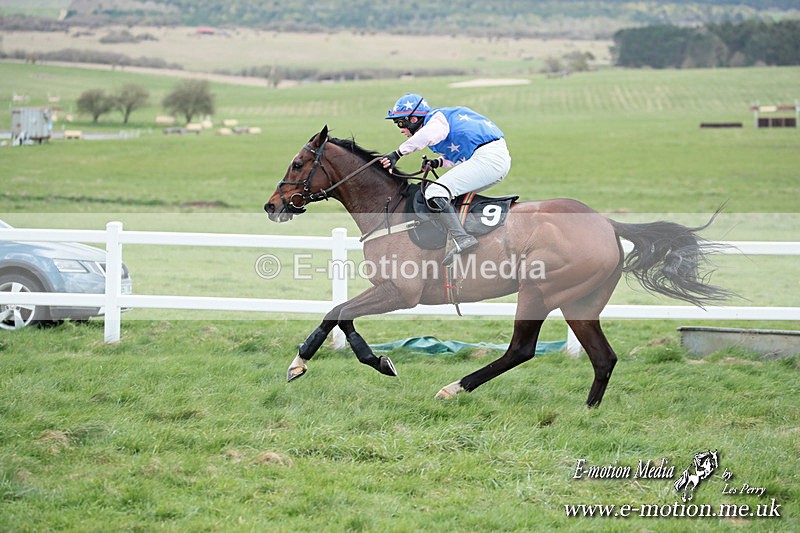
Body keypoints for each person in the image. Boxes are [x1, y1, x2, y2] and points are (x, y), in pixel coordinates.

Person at [380, 93, 511, 265]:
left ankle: (462, 238)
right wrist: (437, 162)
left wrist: (397, 154)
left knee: (435, 192)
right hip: (492, 158)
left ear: (413, 119)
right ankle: (457, 239)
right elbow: (457, 155)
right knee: (449, 196)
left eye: (401, 123)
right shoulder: (440, 123)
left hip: (488, 158)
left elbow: (426, 136)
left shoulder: (436, 120)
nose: (400, 129)